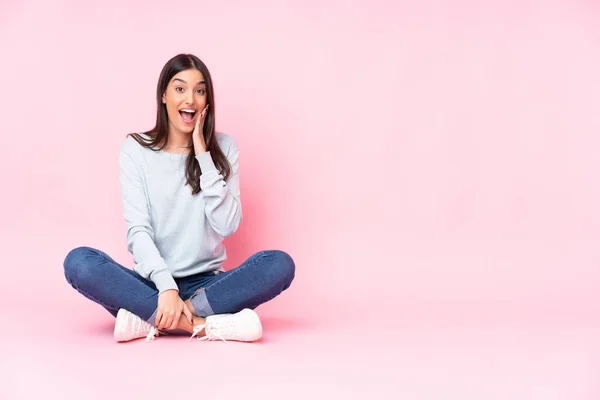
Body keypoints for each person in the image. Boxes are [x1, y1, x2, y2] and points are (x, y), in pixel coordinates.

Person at [63, 54, 295, 343]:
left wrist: (203, 155)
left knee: (278, 264)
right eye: (180, 88)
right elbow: (138, 231)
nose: (191, 99)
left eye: (199, 90)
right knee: (79, 262)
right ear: (163, 95)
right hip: (151, 283)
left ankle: (149, 320)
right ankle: (203, 326)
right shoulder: (136, 150)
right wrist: (167, 289)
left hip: (208, 287)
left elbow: (227, 226)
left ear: (207, 100)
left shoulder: (224, 147)